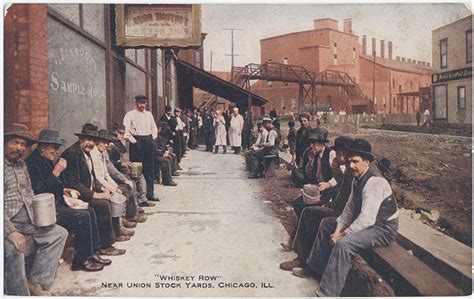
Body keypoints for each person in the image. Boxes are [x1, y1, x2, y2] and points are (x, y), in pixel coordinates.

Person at [306, 139, 399, 297]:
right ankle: (316, 269)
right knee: (327, 223)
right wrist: (336, 230)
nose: (351, 166)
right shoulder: (358, 179)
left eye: (355, 161)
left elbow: (367, 219)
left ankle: (327, 293)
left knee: (343, 245)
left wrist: (342, 235)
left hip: (383, 229)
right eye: (349, 161)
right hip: (370, 224)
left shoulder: (375, 182)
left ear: (366, 162)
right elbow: (349, 209)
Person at [26, 128, 109, 272]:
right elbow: (40, 190)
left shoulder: (45, 159)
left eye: (58, 147)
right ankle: (80, 261)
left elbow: (52, 185)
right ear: (42, 147)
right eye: (54, 147)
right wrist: (57, 172)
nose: (57, 150)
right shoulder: (33, 163)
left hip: (54, 204)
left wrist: (65, 190)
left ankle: (93, 252)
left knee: (89, 210)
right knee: (82, 216)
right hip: (44, 211)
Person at [4, 123, 68, 296]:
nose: (20, 148)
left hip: (26, 218)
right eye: (15, 142)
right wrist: (10, 232)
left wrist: (41, 214)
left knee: (58, 233)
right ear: (4, 143)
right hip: (8, 221)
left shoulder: (20, 165)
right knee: (15, 249)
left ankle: (36, 280)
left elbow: (30, 192)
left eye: (23, 144)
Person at [279, 136, 354, 273]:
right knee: (308, 212)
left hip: (349, 215)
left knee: (315, 217)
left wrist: (330, 200)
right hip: (340, 207)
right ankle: (301, 258)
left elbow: (348, 195)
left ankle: (309, 264)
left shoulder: (351, 168)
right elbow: (343, 192)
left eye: (338, 153)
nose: (336, 156)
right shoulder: (344, 166)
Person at [61, 123, 126, 256]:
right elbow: (74, 184)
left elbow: (93, 176)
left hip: (85, 191)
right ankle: (105, 246)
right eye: (87, 140)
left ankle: (106, 242)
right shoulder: (72, 154)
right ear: (80, 139)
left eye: (93, 140)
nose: (90, 143)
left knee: (106, 200)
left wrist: (102, 188)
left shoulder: (86, 152)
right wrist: (96, 195)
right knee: (102, 205)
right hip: (73, 196)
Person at [90, 130, 138, 242]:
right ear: (97, 141)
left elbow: (106, 174)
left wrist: (115, 186)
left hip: (104, 183)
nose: (107, 145)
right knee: (114, 197)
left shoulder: (102, 152)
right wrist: (113, 189)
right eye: (104, 142)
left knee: (122, 191)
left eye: (108, 143)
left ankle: (120, 225)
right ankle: (117, 231)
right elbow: (98, 178)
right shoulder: (93, 155)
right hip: (97, 187)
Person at [109, 123, 155, 210]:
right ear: (115, 132)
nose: (122, 135)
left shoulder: (120, 143)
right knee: (131, 182)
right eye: (120, 133)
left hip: (124, 167)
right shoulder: (111, 145)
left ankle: (142, 199)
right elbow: (109, 164)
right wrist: (121, 164)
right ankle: (135, 207)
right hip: (118, 170)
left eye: (123, 133)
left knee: (140, 176)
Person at [123, 94, 159, 202]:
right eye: (139, 103)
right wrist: (135, 142)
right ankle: (138, 197)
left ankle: (150, 194)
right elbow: (126, 132)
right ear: (136, 103)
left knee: (149, 169)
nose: (141, 105)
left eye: (143, 103)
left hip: (148, 142)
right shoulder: (130, 115)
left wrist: (152, 139)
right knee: (137, 169)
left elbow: (154, 128)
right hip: (136, 143)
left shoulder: (149, 115)